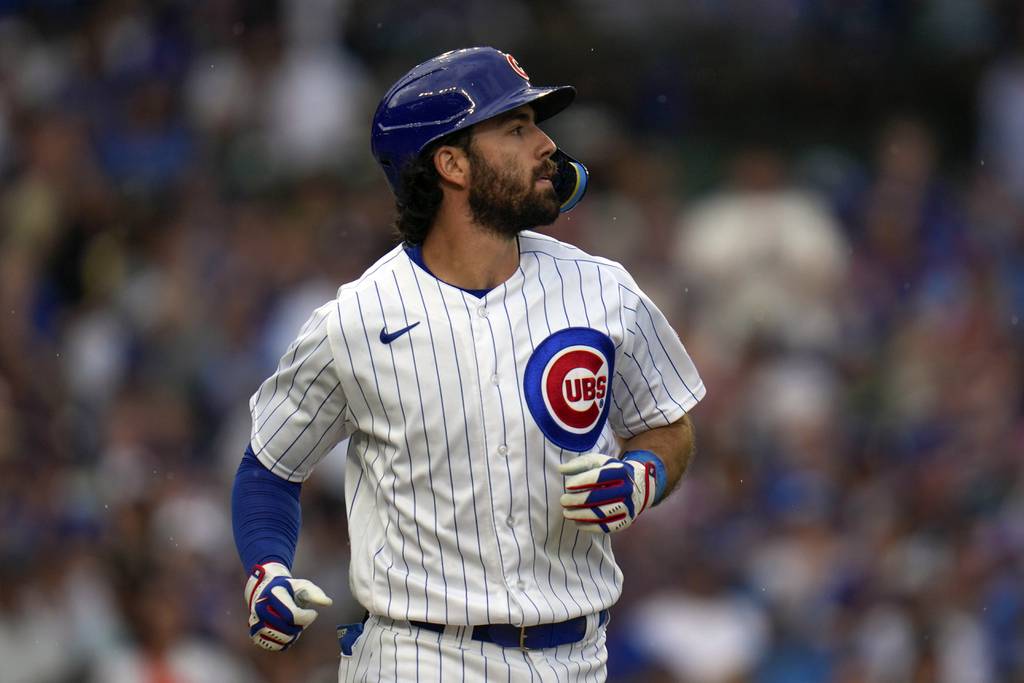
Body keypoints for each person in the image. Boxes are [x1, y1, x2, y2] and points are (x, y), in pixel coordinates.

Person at [231, 46, 705, 682]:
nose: (545, 144)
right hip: (419, 654)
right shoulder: (355, 320)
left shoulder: (603, 289)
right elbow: (269, 466)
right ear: (451, 164)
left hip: (578, 657)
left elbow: (669, 424)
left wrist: (645, 473)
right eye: (516, 128)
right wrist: (268, 569)